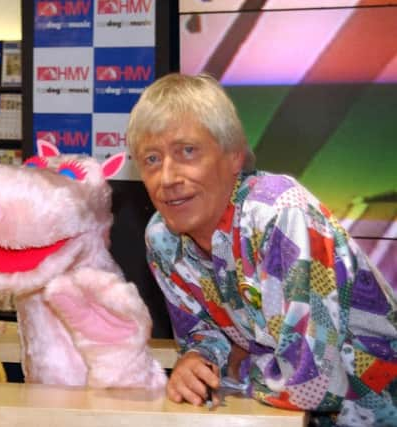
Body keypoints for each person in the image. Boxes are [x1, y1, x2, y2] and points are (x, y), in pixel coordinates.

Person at [126, 72, 397, 427]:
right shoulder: (162, 238)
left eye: (187, 151)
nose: (167, 177)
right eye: (151, 160)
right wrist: (196, 361)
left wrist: (237, 364)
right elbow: (202, 335)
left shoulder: (280, 213)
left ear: (234, 157)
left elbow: (314, 385)